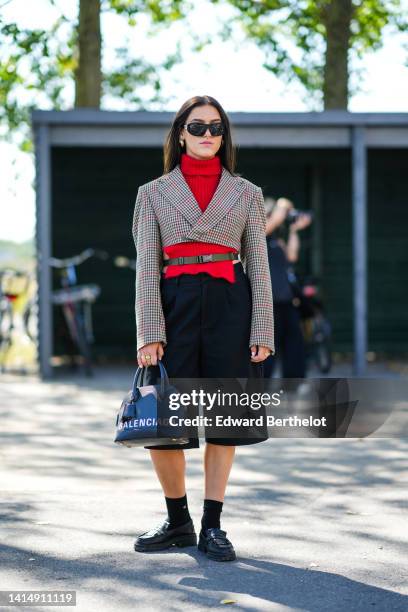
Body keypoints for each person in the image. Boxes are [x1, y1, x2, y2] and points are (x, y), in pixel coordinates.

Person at [131, 95, 274, 562]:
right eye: (198, 127)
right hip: (172, 307)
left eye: (216, 128)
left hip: (232, 304)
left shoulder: (247, 193)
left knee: (224, 418)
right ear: (180, 133)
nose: (208, 135)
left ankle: (212, 525)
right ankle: (178, 521)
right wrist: (149, 330)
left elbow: (260, 264)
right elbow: (145, 267)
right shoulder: (152, 192)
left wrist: (262, 328)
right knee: (163, 418)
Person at [262, 197, 312, 380]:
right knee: (267, 347)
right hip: (267, 304)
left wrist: (294, 230)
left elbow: (292, 256)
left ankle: (294, 382)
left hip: (286, 300)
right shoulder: (259, 233)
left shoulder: (277, 239)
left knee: (294, 344)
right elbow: (264, 229)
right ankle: (263, 385)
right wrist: (280, 209)